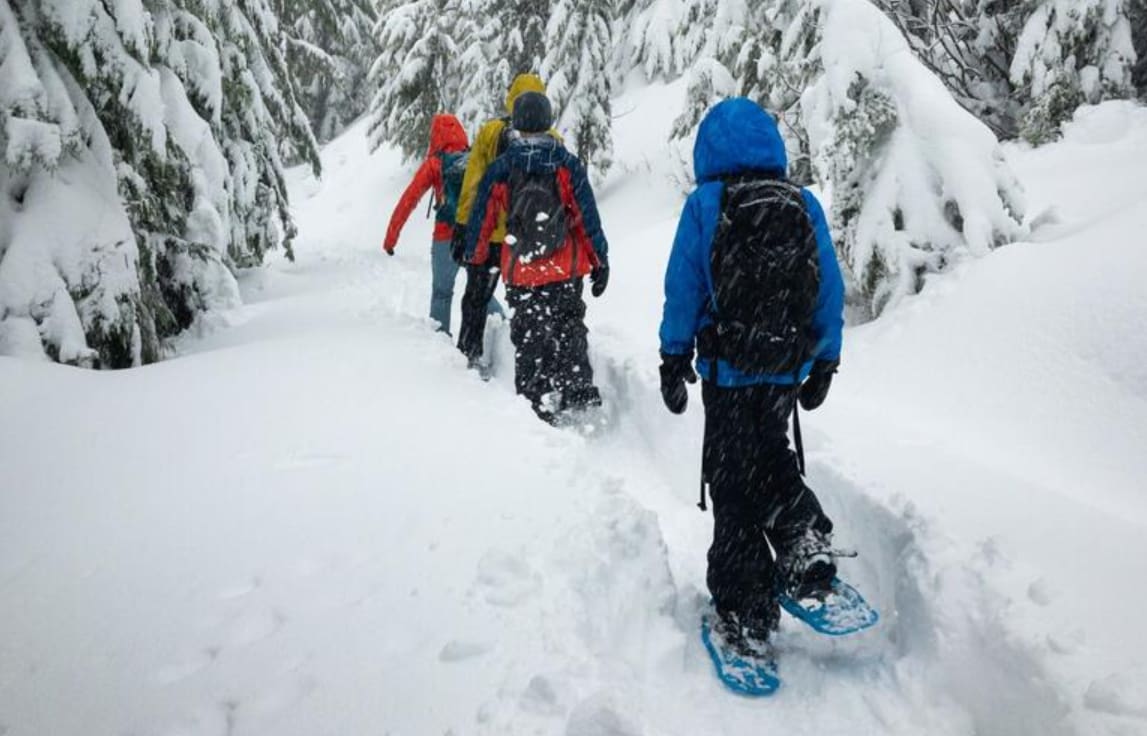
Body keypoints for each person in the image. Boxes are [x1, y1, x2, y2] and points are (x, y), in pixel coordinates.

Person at [657, 98, 845, 659]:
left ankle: (747, 607)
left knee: (730, 480)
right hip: (783, 368)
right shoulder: (802, 203)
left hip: (727, 370)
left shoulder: (706, 204)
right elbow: (828, 289)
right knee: (770, 451)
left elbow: (683, 288)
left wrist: (673, 358)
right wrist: (825, 361)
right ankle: (801, 532)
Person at [463, 91, 609, 422]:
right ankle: (576, 389)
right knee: (569, 324)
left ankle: (535, 399)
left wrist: (476, 255)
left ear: (516, 124)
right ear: (548, 121)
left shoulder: (502, 167)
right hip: (564, 267)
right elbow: (588, 218)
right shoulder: (567, 165)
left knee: (529, 334)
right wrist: (600, 260)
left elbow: (482, 217)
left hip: (522, 269)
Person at [451, 74, 557, 368]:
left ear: (512, 98)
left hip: (491, 236)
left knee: (476, 297)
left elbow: (473, 184)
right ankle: (534, 368)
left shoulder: (490, 132)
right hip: (530, 240)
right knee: (532, 304)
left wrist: (462, 226)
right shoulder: (554, 140)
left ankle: (469, 354)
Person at [382, 113, 498, 334]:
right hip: (474, 235)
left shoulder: (435, 164)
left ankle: (441, 347)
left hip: (445, 237)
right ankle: (502, 331)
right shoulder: (473, 158)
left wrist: (390, 240)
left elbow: (408, 200)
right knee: (480, 290)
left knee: (442, 293)